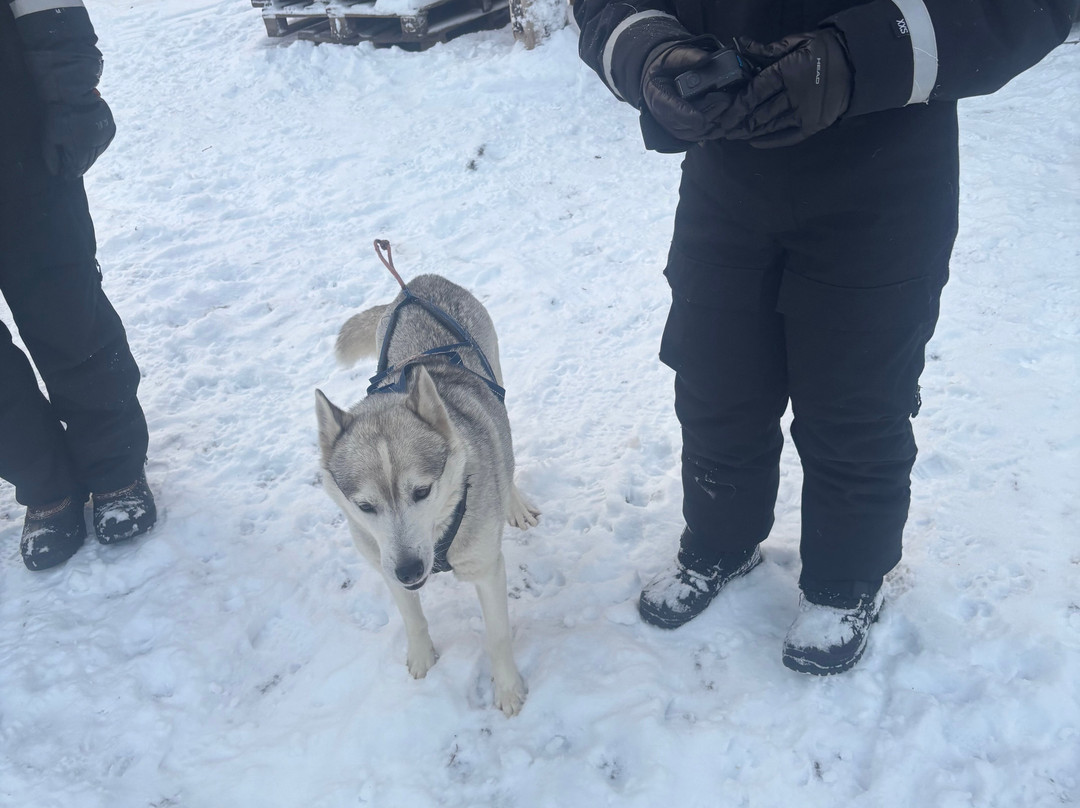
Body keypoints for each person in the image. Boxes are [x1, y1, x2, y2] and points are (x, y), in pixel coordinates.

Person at [574, 0, 1076, 674]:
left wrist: (859, 57)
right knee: (717, 380)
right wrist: (647, 53)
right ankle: (721, 540)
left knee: (855, 404)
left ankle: (845, 580)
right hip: (727, 171)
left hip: (885, 179)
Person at [1, 0, 156, 571]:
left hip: (14, 124)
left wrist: (70, 94)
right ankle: (43, 482)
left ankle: (115, 465)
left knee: (65, 307)